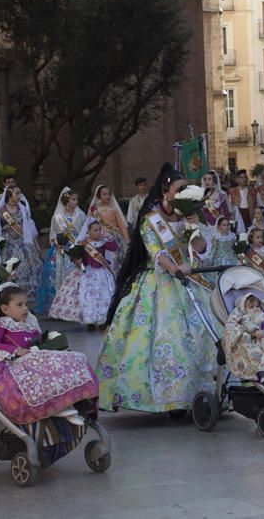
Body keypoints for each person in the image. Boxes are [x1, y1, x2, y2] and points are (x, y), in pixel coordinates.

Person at [97, 164, 218, 413]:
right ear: (166, 189)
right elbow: (156, 251)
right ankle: (170, 397)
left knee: (206, 331)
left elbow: (200, 247)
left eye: (187, 189)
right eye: (180, 189)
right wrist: (174, 270)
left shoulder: (186, 215)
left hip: (188, 279)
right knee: (166, 335)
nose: (184, 192)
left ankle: (205, 391)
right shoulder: (151, 219)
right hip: (160, 280)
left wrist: (194, 226)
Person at [0, 284, 98, 452]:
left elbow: (37, 341)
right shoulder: (1, 324)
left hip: (32, 357)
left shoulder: (28, 326)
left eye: (26, 304)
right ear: (5, 309)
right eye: (19, 305)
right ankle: (58, 408)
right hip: (15, 363)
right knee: (38, 375)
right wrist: (15, 350)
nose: (25, 308)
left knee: (71, 359)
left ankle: (69, 402)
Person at [49, 219, 118, 329]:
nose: (98, 232)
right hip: (88, 274)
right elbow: (75, 255)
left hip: (101, 273)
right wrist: (77, 260)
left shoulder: (103, 241)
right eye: (95, 230)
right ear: (88, 231)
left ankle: (103, 319)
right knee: (88, 296)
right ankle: (90, 320)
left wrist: (109, 237)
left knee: (104, 296)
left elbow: (114, 248)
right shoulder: (83, 243)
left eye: (99, 230)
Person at [0, 186, 43, 310]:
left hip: (23, 243)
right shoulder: (2, 210)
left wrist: (35, 244)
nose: (20, 195)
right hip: (9, 244)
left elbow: (28, 228)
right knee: (11, 269)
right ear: (10, 194)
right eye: (17, 193)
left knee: (29, 268)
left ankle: (26, 299)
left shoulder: (23, 209)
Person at [49, 187, 87, 291]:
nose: (76, 202)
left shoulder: (81, 215)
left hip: (78, 248)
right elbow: (53, 234)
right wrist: (58, 243)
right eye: (73, 199)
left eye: (77, 199)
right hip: (65, 251)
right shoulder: (57, 217)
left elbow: (85, 231)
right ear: (66, 200)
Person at [89, 184, 130, 273]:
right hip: (98, 239)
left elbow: (122, 225)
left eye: (109, 194)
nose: (107, 196)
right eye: (104, 194)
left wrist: (126, 238)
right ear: (99, 195)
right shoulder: (93, 210)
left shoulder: (113, 209)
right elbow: (88, 225)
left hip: (113, 239)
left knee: (114, 262)